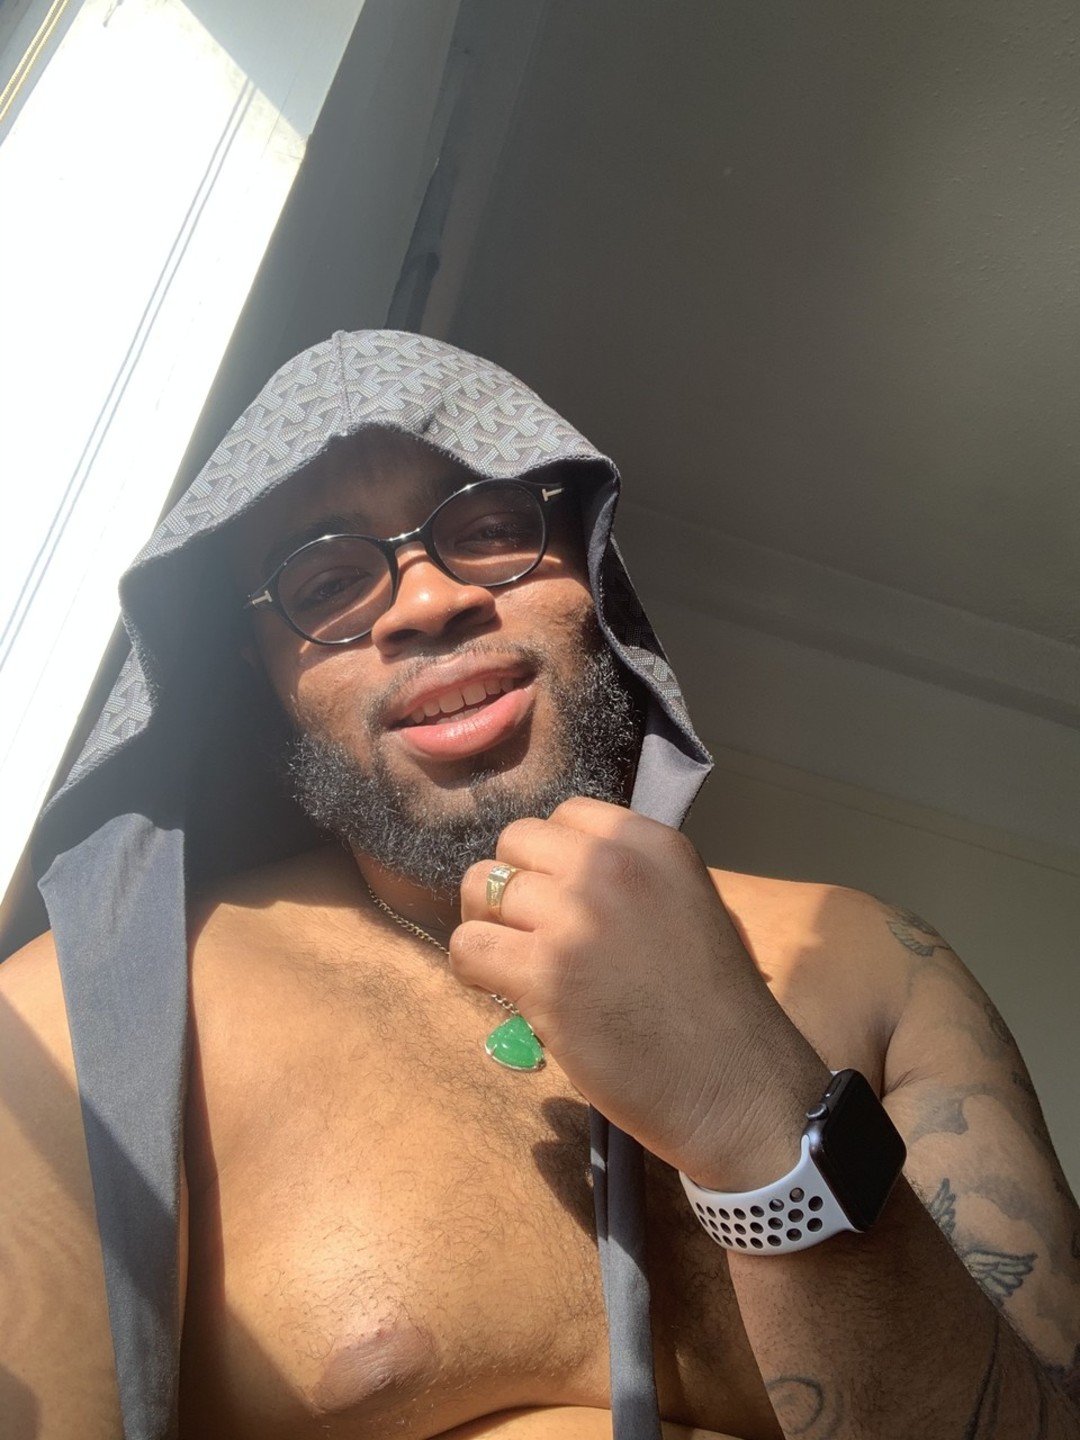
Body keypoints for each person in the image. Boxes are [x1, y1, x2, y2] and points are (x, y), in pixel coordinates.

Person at [1, 330, 1077, 1440]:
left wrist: (758, 1114)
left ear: (588, 563)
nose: (426, 602)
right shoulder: (86, 1024)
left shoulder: (876, 967)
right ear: (257, 670)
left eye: (487, 528)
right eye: (325, 582)